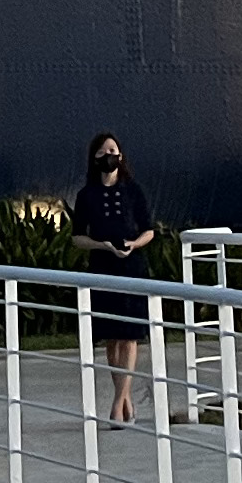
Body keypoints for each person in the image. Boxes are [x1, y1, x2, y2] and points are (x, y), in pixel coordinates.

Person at [71, 132, 161, 422]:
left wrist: (133, 245)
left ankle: (118, 404)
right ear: (95, 158)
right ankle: (124, 402)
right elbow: (77, 237)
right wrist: (102, 245)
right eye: (103, 151)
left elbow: (149, 230)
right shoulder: (86, 195)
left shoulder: (133, 191)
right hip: (102, 268)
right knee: (112, 337)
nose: (109, 155)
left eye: (113, 150)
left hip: (131, 268)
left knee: (129, 336)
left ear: (121, 156)